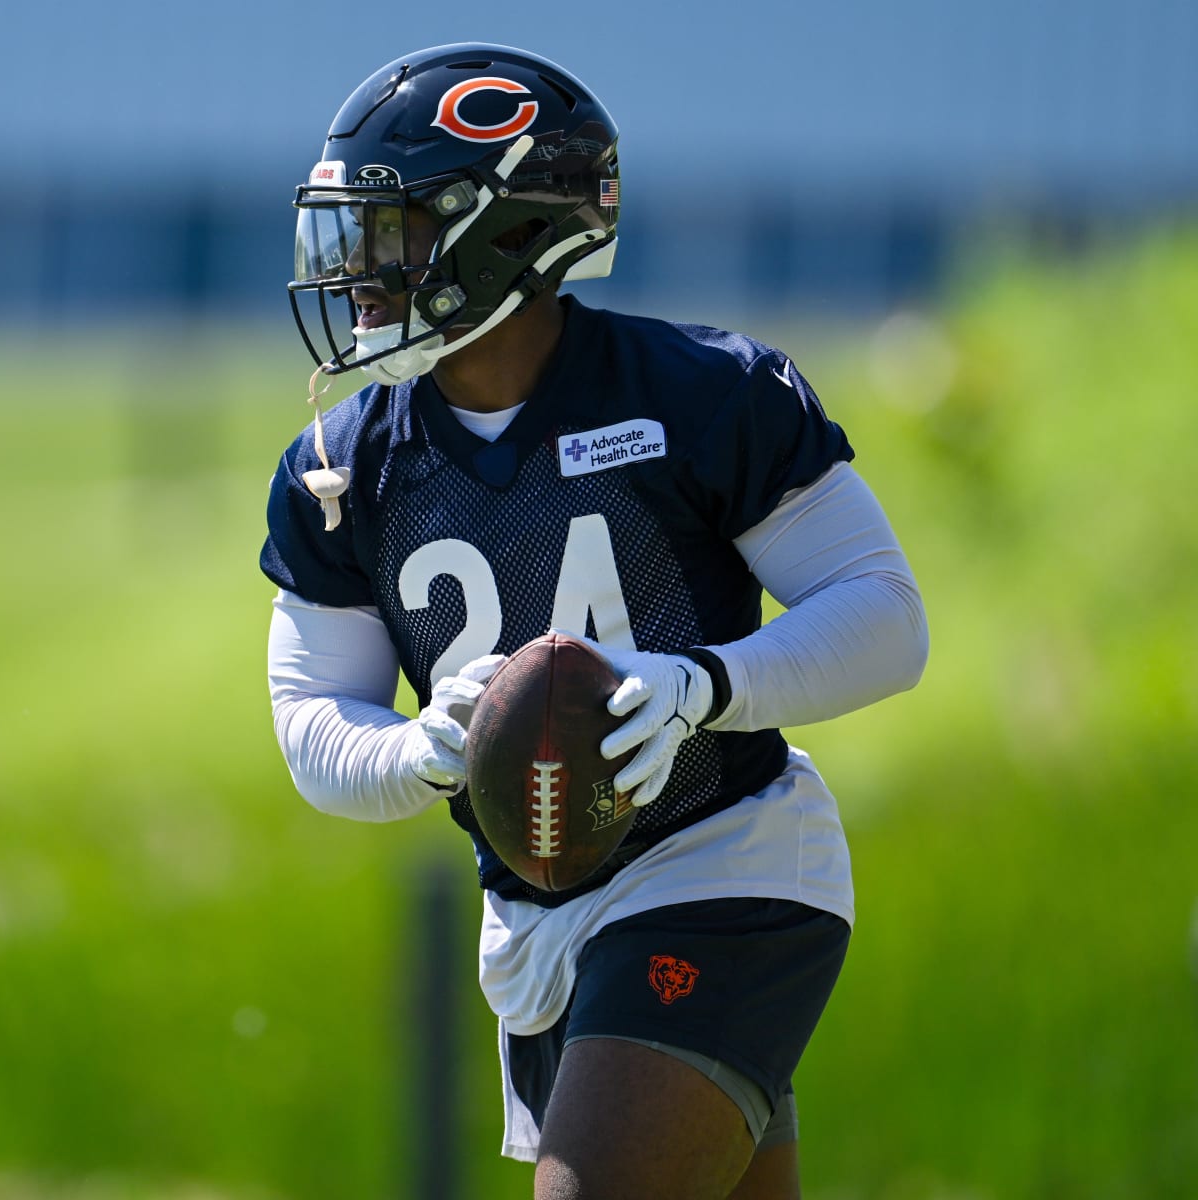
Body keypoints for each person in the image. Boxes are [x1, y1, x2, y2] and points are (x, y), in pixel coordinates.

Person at [260, 43, 929, 1200]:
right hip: (537, 917)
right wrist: (422, 751)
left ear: (504, 232)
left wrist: (702, 686)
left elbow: (883, 618)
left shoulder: (701, 393)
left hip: (719, 862)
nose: (359, 274)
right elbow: (312, 717)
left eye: (394, 231)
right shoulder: (341, 466)